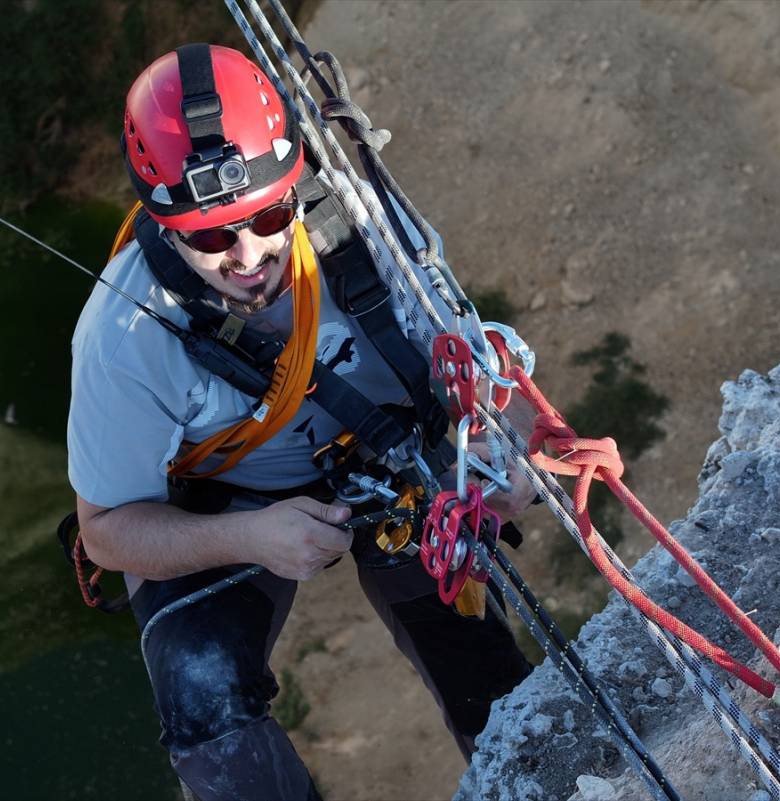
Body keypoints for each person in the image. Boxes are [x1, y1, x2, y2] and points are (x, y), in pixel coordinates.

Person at [68, 44, 536, 801]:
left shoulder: (364, 228)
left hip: (393, 462)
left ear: (295, 189)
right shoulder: (125, 336)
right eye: (212, 236)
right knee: (202, 699)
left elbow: (463, 366)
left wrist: (497, 456)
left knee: (483, 667)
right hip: (230, 503)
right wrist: (248, 537)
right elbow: (107, 530)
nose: (249, 256)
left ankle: (534, 782)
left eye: (268, 216)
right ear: (165, 224)